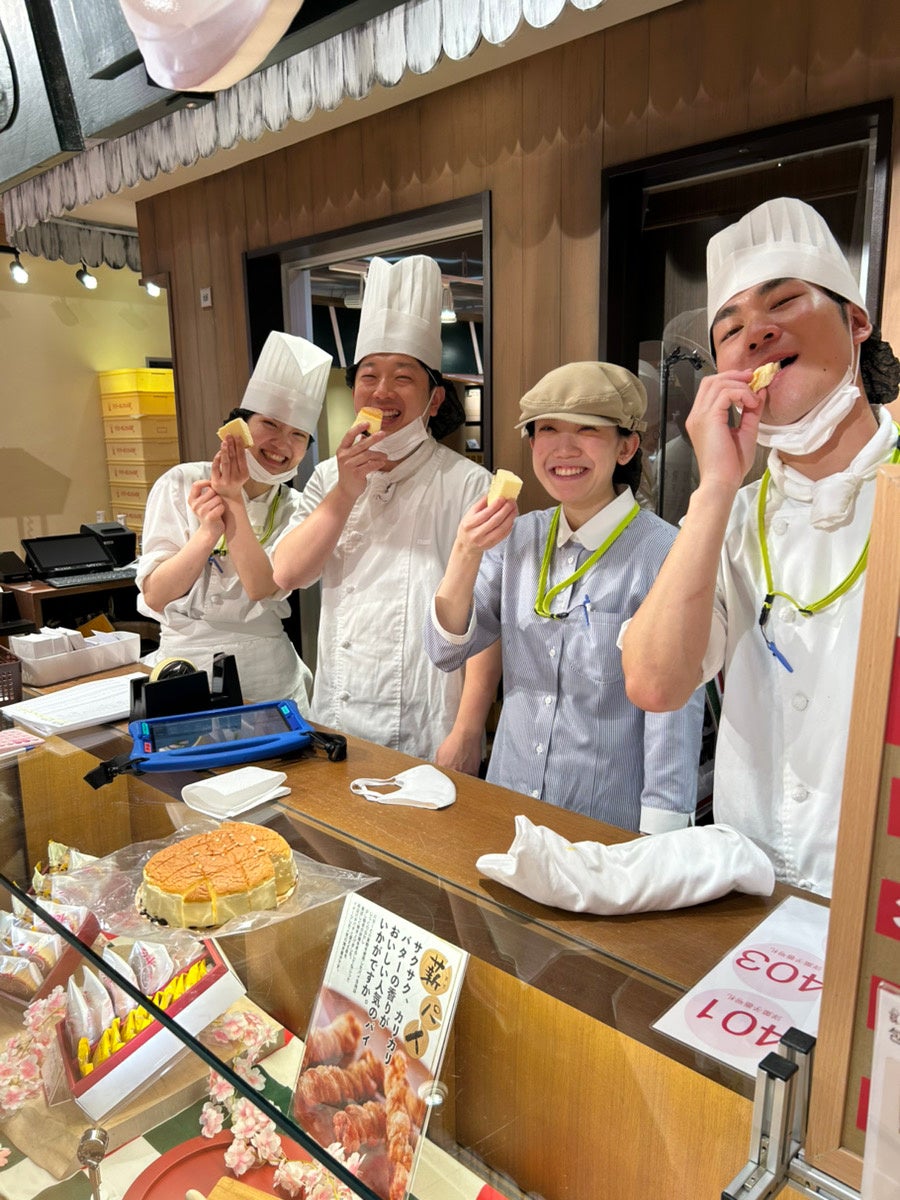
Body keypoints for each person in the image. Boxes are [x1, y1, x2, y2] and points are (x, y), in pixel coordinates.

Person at [621, 197, 900, 896]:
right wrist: (717, 484)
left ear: (856, 321)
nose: (756, 333)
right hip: (751, 895)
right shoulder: (732, 516)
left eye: (783, 302)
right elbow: (654, 683)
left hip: (881, 906)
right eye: (730, 328)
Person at [424, 362, 705, 833]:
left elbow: (672, 716)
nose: (564, 448)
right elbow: (445, 650)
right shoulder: (518, 539)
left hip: (603, 825)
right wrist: (465, 551)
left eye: (588, 429)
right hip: (508, 807)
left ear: (626, 446)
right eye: (548, 429)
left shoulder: (666, 553)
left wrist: (661, 841)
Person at [272, 255, 494, 765]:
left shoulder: (468, 484)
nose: (382, 391)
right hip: (339, 709)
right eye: (368, 375)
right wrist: (345, 491)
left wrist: (467, 732)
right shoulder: (326, 477)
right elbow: (287, 574)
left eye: (403, 377)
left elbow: (488, 620)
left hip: (428, 718)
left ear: (434, 400)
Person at [137, 331, 332, 710]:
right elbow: (156, 595)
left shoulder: (299, 507)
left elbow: (262, 587)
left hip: (270, 675)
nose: (282, 443)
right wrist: (208, 532)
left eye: (298, 434)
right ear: (238, 426)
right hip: (184, 670)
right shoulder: (180, 483)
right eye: (270, 424)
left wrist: (232, 502)